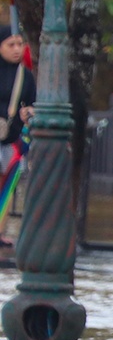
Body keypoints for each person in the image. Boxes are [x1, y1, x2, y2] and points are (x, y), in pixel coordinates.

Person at [0, 34, 36, 239]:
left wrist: (29, 111)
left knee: (7, 185)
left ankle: (0, 231)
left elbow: (33, 101)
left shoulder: (25, 75)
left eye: (20, 44)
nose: (16, 49)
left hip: (12, 138)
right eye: (10, 44)